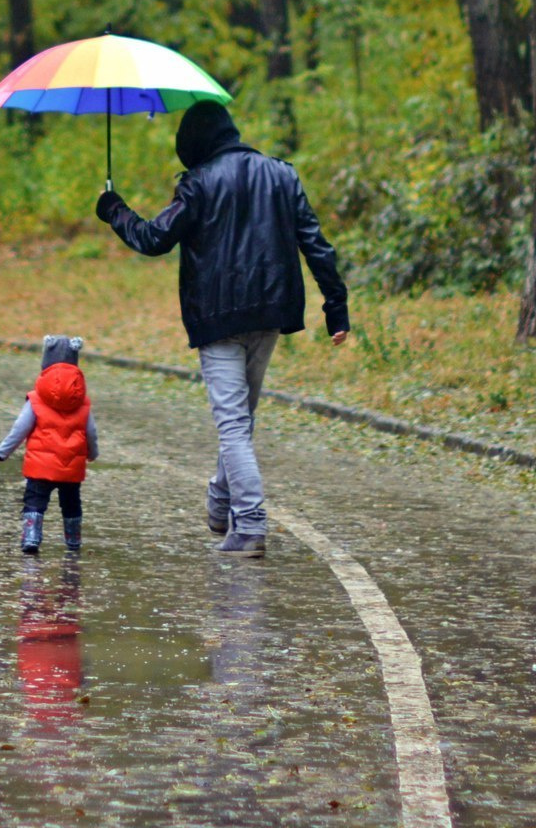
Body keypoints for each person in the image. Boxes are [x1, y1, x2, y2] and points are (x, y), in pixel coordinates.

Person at [96, 101, 348, 557]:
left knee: (233, 425)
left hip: (216, 317)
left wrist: (115, 209)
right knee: (240, 421)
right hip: (271, 311)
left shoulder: (198, 183)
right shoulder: (281, 174)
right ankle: (219, 502)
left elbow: (154, 238)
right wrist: (337, 306)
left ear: (193, 144)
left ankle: (249, 525)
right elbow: (315, 242)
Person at [0, 335, 98, 554]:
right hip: (71, 467)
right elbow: (91, 432)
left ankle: (31, 538)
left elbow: (20, 429)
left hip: (40, 466)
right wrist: (92, 453)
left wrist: (2, 452)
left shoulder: (36, 399)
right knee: (71, 502)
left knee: (35, 500)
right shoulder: (82, 402)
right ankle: (73, 539)